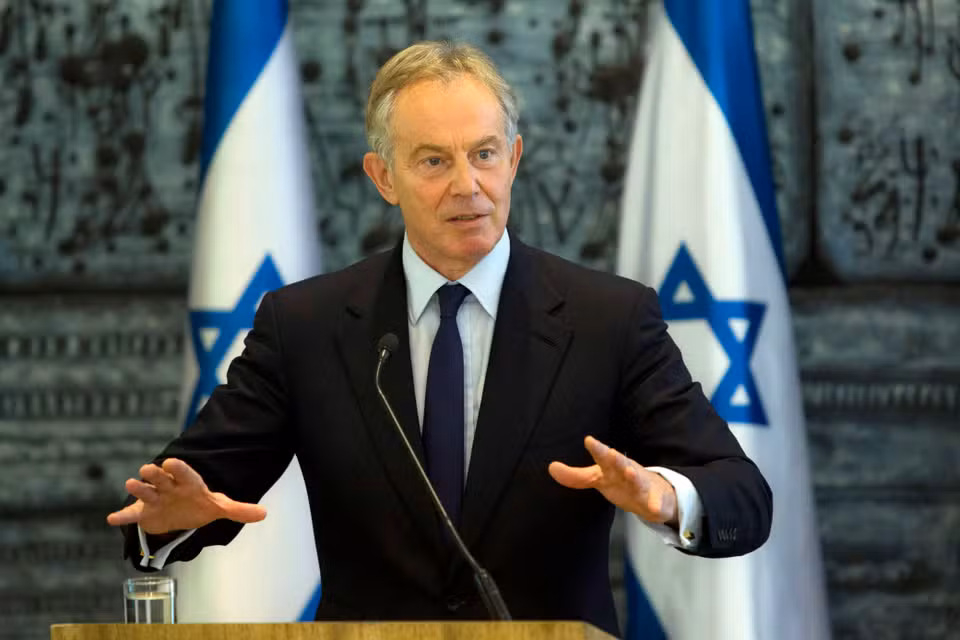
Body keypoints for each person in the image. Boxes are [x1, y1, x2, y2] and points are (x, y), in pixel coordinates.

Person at [107, 41, 771, 636]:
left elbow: (742, 493)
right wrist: (167, 520)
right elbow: (173, 498)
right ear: (383, 177)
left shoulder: (608, 319)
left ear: (513, 159)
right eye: (433, 160)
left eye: (484, 154)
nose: (467, 185)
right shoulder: (305, 326)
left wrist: (666, 497)